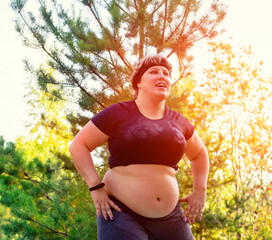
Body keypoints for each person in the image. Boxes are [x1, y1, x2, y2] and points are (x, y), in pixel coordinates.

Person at [69, 54, 209, 240]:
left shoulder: (178, 121)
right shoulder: (118, 113)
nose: (162, 76)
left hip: (172, 218)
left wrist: (200, 190)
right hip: (121, 213)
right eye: (153, 72)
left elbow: (199, 153)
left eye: (166, 74)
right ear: (139, 83)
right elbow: (79, 145)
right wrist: (96, 187)